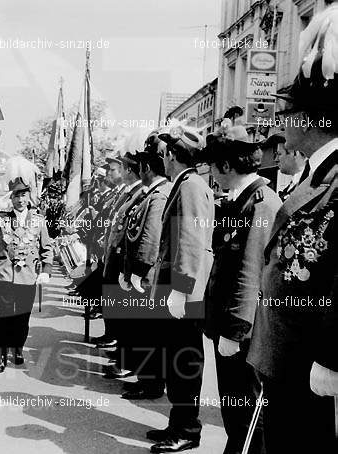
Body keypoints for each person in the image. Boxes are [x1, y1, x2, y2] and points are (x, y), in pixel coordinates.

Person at [248, 7, 338, 452]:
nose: (281, 124)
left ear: (311, 118)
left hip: (310, 368)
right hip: (284, 362)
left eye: (287, 112)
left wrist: (332, 357)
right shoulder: (315, 176)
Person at [201, 125, 281, 454]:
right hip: (232, 328)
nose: (212, 175)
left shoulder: (260, 203)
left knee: (248, 418)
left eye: (214, 167)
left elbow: (250, 273)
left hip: (244, 334)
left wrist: (234, 331)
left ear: (227, 166)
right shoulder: (242, 199)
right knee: (235, 416)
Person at [147, 124, 214, 453]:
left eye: (165, 153)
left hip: (182, 290)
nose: (163, 158)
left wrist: (180, 289)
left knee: (184, 361)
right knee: (177, 358)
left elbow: (190, 241)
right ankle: (178, 423)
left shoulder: (189, 185)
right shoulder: (187, 182)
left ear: (172, 155)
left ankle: (187, 430)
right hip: (177, 286)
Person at [0, 171, 53, 373]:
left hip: (28, 275)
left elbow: (47, 247)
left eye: (23, 195)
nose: (20, 200)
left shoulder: (38, 220)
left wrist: (46, 269)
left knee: (22, 316)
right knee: (4, 316)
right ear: (10, 198)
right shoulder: (3, 219)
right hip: (5, 274)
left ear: (29, 197)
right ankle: (0, 356)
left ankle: (18, 347)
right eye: (16, 196)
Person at [120, 132, 172, 400]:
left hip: (149, 277)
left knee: (149, 333)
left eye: (140, 164)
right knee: (145, 332)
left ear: (147, 168)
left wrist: (138, 273)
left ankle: (150, 384)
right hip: (143, 275)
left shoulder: (159, 195)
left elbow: (150, 239)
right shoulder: (151, 193)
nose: (138, 168)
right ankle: (146, 379)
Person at [98, 152, 147, 377]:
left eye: (115, 169)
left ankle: (125, 357)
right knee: (117, 309)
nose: (109, 173)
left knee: (126, 314)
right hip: (115, 255)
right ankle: (120, 350)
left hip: (125, 259)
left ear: (128, 170)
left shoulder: (141, 193)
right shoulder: (129, 193)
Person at [268, 134, 308, 200]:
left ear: (295, 153)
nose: (276, 160)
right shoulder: (294, 184)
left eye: (279, 154)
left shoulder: (307, 184)